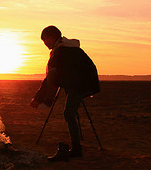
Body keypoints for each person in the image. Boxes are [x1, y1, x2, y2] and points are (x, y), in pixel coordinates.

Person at [30, 25, 100, 162]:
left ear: (51, 38)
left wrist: (39, 98)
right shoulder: (67, 48)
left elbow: (51, 77)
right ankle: (76, 146)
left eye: (45, 41)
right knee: (70, 112)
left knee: (68, 113)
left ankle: (76, 148)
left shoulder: (61, 51)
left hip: (80, 84)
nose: (45, 45)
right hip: (81, 82)